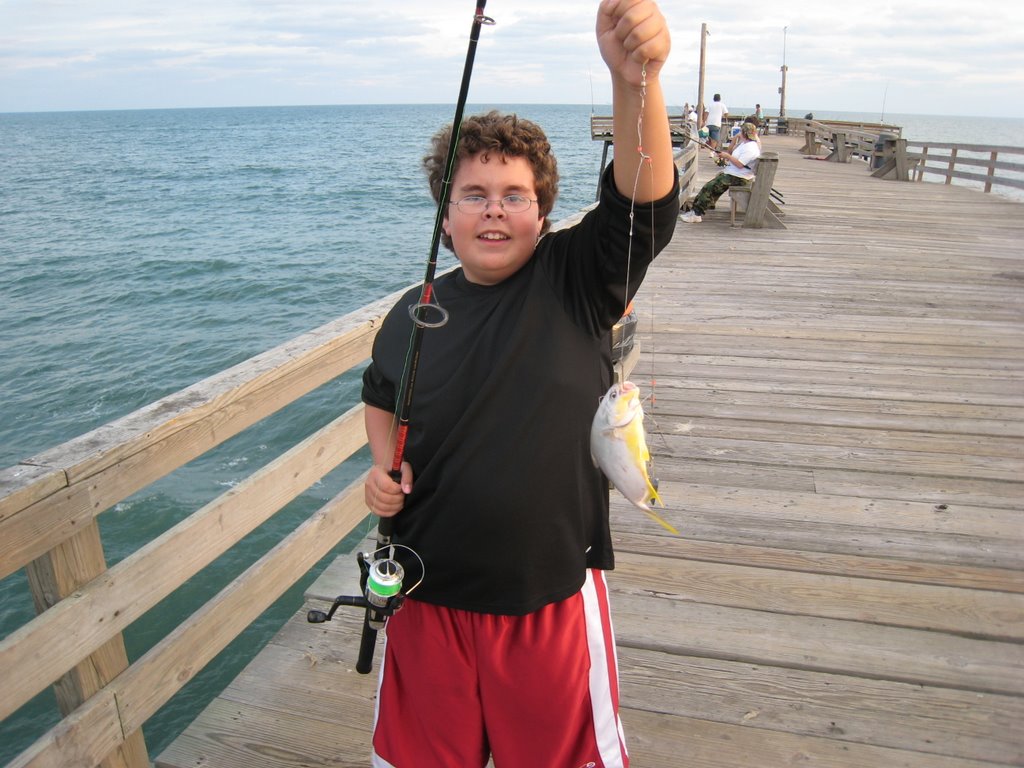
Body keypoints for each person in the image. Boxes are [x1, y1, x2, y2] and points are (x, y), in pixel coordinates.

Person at [360, 1, 679, 766]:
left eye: (515, 196)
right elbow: (381, 394)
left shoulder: (575, 279)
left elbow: (644, 200)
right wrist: (381, 467)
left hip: (548, 599)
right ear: (445, 216)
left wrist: (634, 81)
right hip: (424, 591)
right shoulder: (414, 312)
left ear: (543, 212)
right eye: (473, 195)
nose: (494, 211)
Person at [680, 120, 761, 223]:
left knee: (709, 187)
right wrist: (726, 155)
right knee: (713, 185)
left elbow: (740, 164)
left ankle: (696, 214)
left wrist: (727, 156)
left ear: (744, 133)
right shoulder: (745, 144)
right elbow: (735, 157)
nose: (739, 133)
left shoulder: (750, 147)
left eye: (741, 131)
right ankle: (700, 208)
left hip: (740, 177)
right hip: (735, 174)